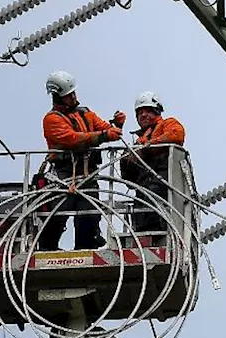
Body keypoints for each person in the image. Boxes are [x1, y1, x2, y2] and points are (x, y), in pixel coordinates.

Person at [40, 70, 125, 251]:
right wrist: (103, 135)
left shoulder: (86, 114)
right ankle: (47, 248)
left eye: (73, 93)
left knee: (89, 212)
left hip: (87, 172)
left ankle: (85, 248)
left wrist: (117, 126)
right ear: (57, 96)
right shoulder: (52, 120)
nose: (73, 97)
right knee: (58, 212)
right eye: (68, 95)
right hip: (64, 173)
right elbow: (72, 138)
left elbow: (107, 130)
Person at [119, 92, 185, 234]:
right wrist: (127, 159)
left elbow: (177, 134)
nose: (143, 115)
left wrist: (148, 146)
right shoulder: (138, 141)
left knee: (152, 197)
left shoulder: (167, 124)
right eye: (140, 112)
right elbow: (127, 177)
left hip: (162, 182)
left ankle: (154, 231)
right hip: (144, 188)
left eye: (147, 111)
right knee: (141, 203)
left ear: (156, 110)